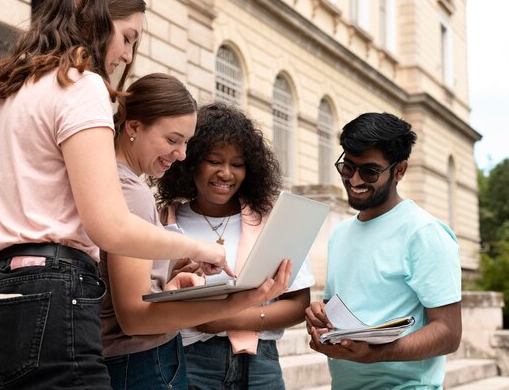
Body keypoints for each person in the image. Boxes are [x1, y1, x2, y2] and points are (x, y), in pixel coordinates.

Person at [0, 0, 230, 389]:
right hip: (53, 297)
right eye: (127, 38)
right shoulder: (80, 85)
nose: (127, 56)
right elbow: (108, 226)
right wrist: (201, 248)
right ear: (94, 20)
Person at [100, 73, 292, 390]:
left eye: (186, 143)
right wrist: (238, 303)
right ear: (133, 127)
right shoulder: (132, 193)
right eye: (173, 140)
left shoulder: (120, 184)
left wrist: (171, 287)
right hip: (139, 362)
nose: (181, 155)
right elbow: (134, 317)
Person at [156, 102, 316, 390]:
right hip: (188, 362)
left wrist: (224, 318)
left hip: (261, 367)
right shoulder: (166, 220)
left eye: (237, 164)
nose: (226, 174)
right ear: (190, 161)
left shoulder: (270, 218)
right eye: (214, 161)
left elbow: (298, 304)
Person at [305, 112, 462, 389]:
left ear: (399, 170)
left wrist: (375, 354)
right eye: (347, 167)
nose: (354, 180)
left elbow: (448, 333)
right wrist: (320, 316)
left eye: (369, 171)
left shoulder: (423, 233)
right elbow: (336, 310)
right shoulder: (340, 233)